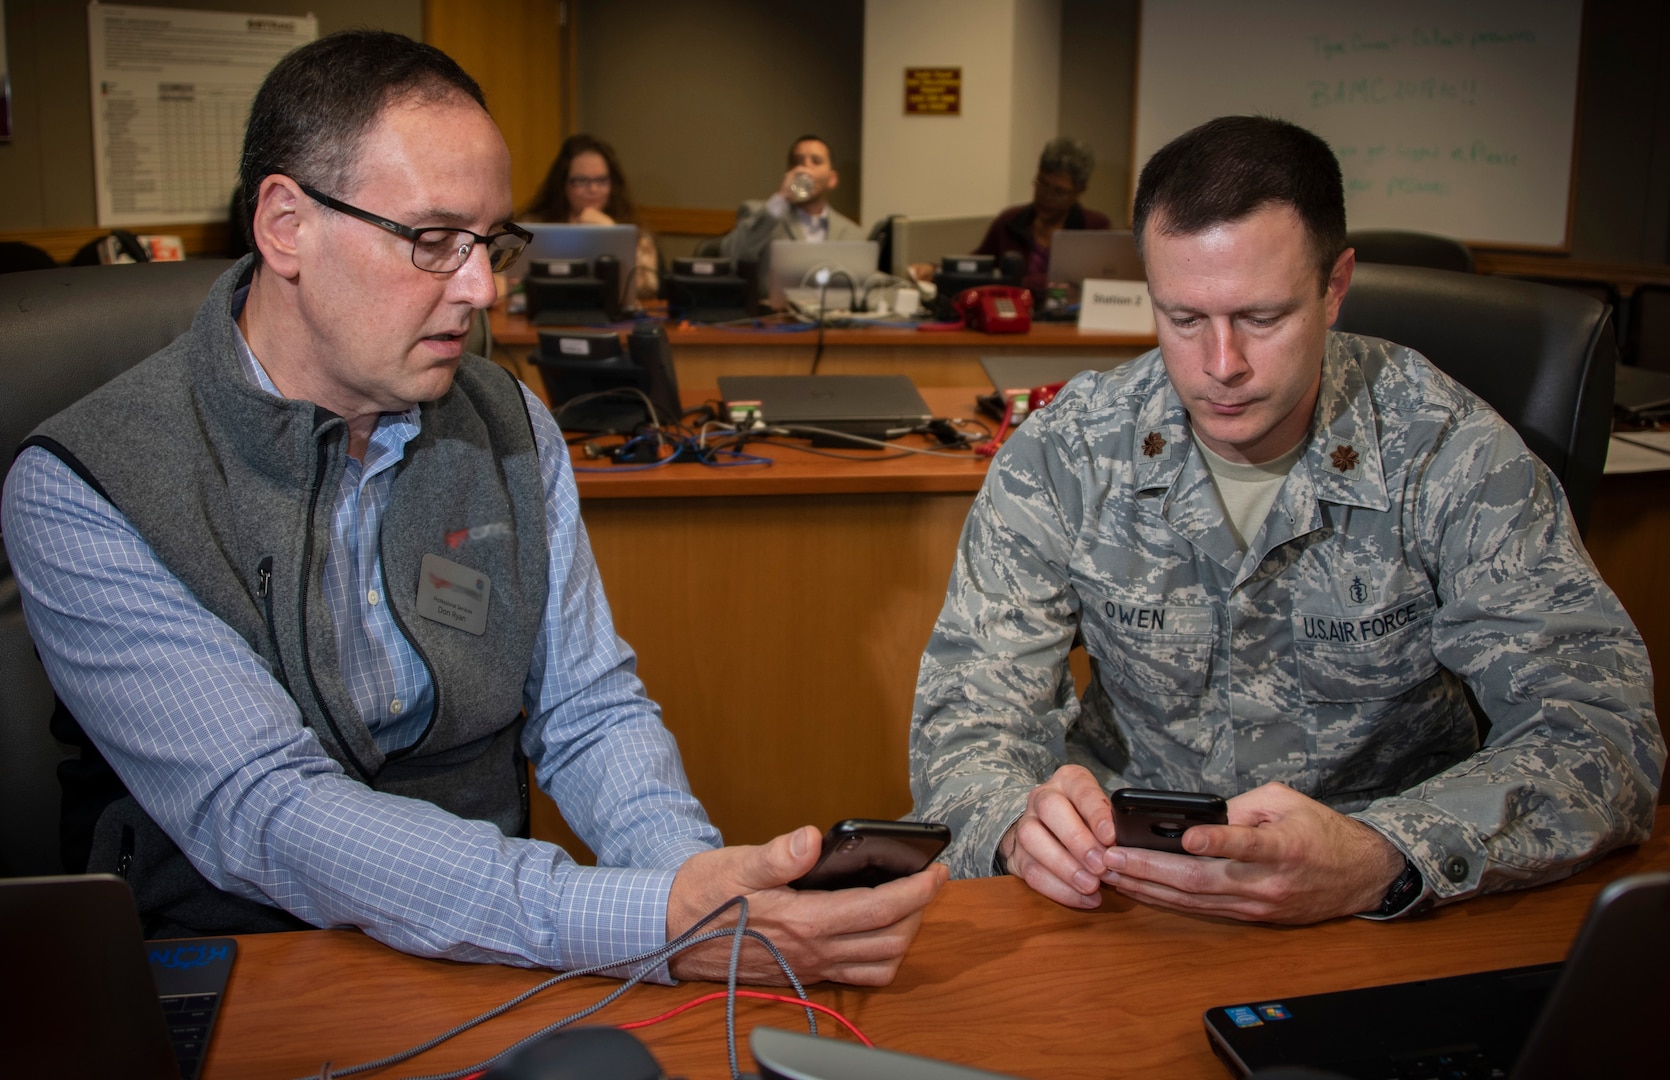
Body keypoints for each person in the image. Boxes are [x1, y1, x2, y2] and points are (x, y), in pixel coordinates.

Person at [2, 29, 943, 985]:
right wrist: (652, 921)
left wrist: (697, 884)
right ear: (286, 224)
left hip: (492, 948)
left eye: (491, 243)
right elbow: (268, 812)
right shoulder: (87, 485)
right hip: (247, 963)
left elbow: (589, 710)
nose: (482, 288)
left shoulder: (507, 423)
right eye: (431, 241)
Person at [910, 115, 1663, 925]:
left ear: (1335, 287)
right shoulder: (1068, 453)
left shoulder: (1449, 452)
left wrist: (1384, 853)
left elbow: (1601, 733)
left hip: (1379, 910)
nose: (1221, 364)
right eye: (1183, 318)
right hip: (1126, 897)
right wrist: (1018, 829)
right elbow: (969, 716)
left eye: (1262, 318)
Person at [718, 134, 865, 296]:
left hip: (833, 318)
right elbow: (730, 256)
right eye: (798, 162)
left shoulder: (853, 234)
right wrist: (781, 198)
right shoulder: (763, 215)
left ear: (832, 179)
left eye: (815, 161)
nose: (805, 168)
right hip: (775, 317)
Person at [522, 133, 660, 301]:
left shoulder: (635, 232)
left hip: (610, 319)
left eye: (602, 180)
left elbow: (647, 287)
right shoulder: (533, 226)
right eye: (581, 180)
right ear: (562, 183)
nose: (593, 189)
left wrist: (612, 233)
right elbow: (505, 279)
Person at [967, 136, 1110, 296]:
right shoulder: (1010, 221)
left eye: (1059, 191)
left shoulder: (1094, 228)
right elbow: (978, 265)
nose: (1047, 196)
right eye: (1042, 184)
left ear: (1079, 191)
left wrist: (1018, 283)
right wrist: (939, 269)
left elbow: (1085, 280)